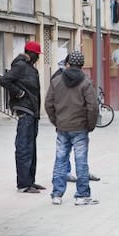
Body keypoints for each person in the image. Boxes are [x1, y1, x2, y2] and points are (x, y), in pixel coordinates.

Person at [45, 51, 99, 205]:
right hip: (80, 127)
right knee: (81, 161)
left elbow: (48, 104)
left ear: (68, 63)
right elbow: (92, 107)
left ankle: (57, 194)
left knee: (60, 160)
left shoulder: (56, 81)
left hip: (62, 127)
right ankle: (81, 196)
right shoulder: (86, 82)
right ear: (81, 65)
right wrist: (90, 125)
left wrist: (56, 121)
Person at [0, 41, 45, 193]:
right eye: (37, 55)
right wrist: (19, 93)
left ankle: (30, 181)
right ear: (31, 54)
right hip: (25, 111)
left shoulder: (30, 67)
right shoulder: (20, 66)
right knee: (24, 147)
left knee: (31, 148)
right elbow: (4, 80)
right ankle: (23, 184)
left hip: (32, 112)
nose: (38, 58)